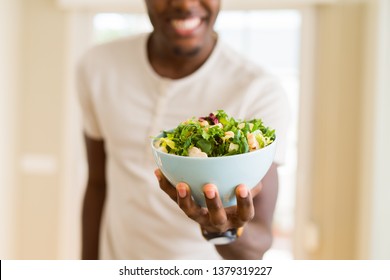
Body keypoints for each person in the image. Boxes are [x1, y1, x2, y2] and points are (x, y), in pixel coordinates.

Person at [77, 0, 290, 260]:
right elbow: (98, 184)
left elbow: (257, 245)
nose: (184, 4)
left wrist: (221, 231)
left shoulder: (259, 92)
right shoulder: (98, 66)